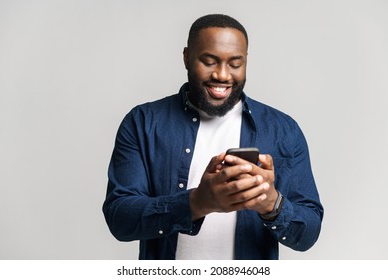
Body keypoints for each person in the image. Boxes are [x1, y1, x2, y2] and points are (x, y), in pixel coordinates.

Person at [103, 14, 324, 260]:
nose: (222, 75)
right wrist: (197, 202)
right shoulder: (143, 122)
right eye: (209, 61)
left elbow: (309, 233)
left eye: (235, 64)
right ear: (186, 57)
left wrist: (271, 203)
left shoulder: (283, 130)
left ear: (246, 61)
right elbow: (119, 218)